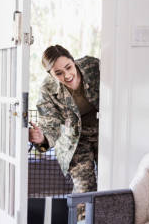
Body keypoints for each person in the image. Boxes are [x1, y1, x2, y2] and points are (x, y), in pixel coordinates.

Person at [29, 45, 100, 194]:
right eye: (59, 73)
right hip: (74, 141)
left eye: (69, 67)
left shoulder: (93, 67)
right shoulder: (47, 90)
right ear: (51, 74)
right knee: (84, 189)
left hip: (103, 132)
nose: (67, 75)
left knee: (112, 180)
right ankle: (82, 217)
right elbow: (50, 122)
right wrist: (42, 138)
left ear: (73, 61)